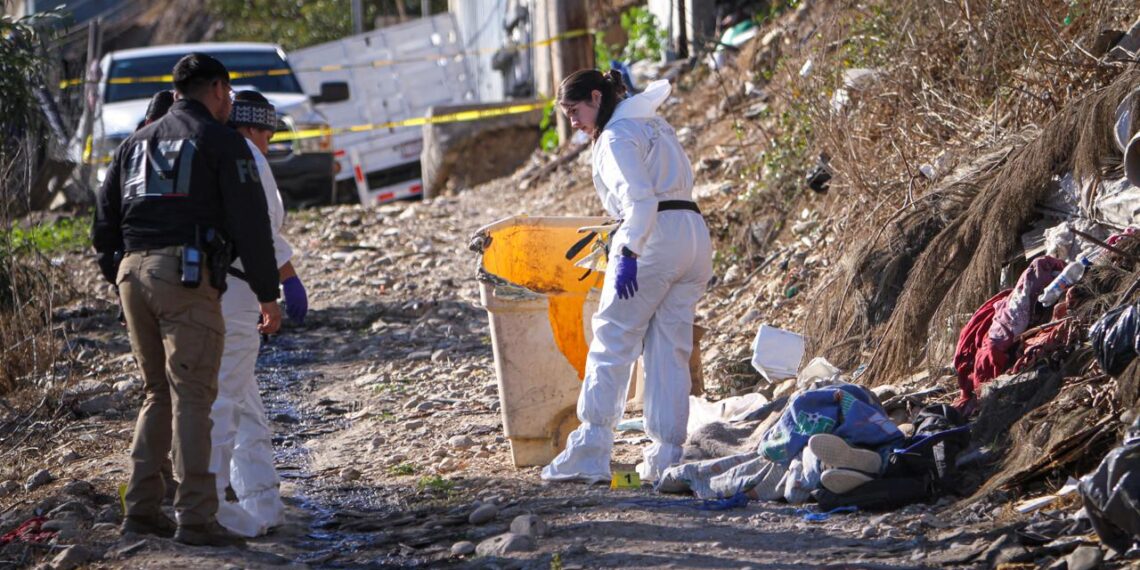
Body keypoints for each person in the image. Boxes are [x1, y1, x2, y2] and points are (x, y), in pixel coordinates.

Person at [92, 52, 282, 547]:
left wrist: (118, 273)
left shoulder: (135, 142)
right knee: (196, 396)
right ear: (218, 90)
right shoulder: (221, 142)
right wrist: (269, 293)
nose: (230, 103)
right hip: (186, 274)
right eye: (229, 95)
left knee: (158, 394)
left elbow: (103, 222)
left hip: (131, 273)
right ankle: (197, 517)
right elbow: (251, 225)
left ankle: (142, 510)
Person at [541, 69, 713, 484]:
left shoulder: (616, 136)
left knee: (612, 338)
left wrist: (630, 252)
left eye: (575, 111)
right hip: (693, 235)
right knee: (669, 347)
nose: (574, 122)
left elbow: (641, 201)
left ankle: (591, 448)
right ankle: (666, 456)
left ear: (596, 98)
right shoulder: (653, 122)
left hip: (652, 238)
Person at [210, 90, 308, 537]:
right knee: (226, 398)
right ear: (252, 128)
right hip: (235, 287)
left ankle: (261, 503)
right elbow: (261, 228)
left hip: (186, 289)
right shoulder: (245, 153)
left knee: (239, 397)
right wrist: (281, 286)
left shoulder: (198, 146)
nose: (268, 142)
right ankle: (206, 506)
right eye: (268, 133)